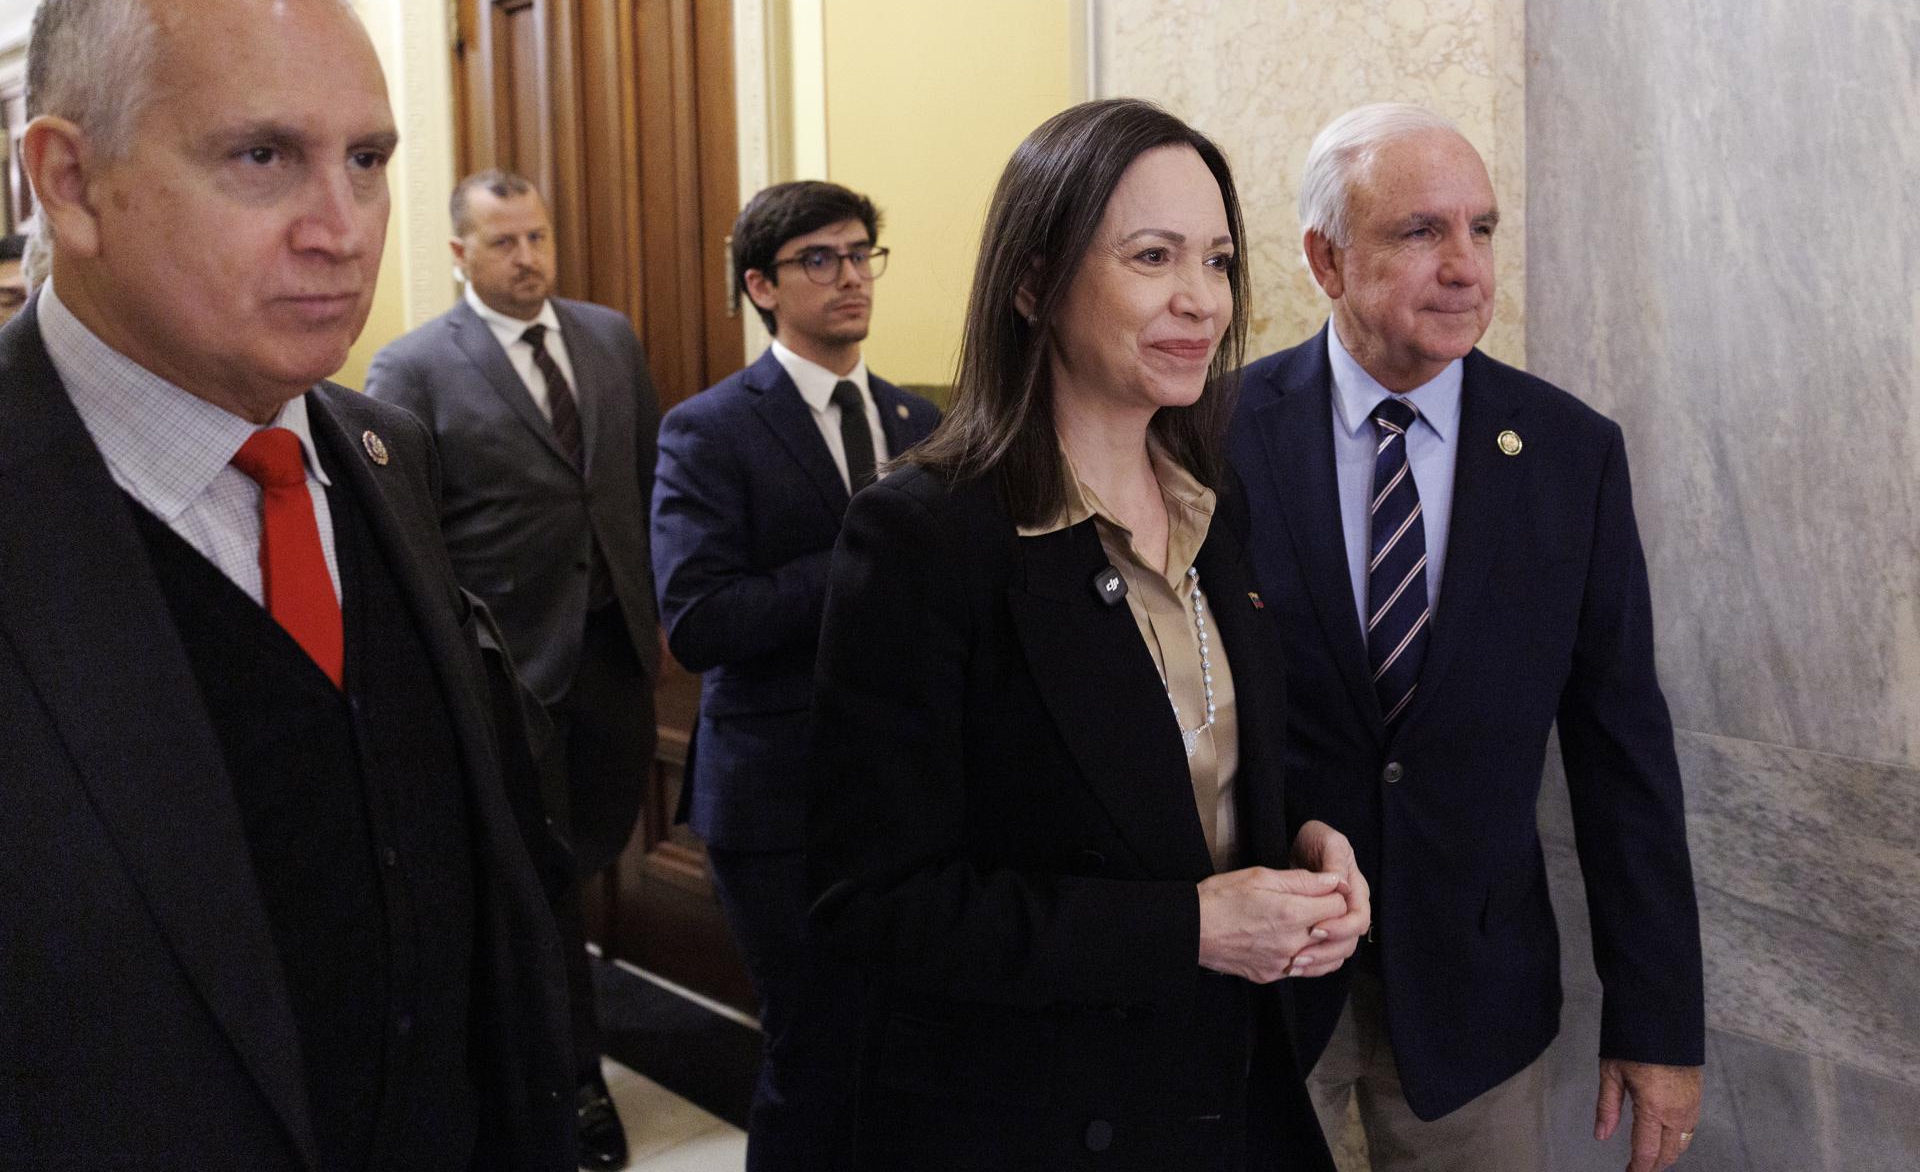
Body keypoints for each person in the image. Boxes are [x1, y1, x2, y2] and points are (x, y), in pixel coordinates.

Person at [3, 0, 572, 1170]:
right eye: (262, 156)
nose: (343, 226)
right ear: (68, 182)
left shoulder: (385, 454)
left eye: (367, 159)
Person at [807, 99, 1367, 1171]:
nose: (1201, 299)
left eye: (1217, 260)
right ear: (1033, 283)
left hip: (1228, 1092)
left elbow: (1188, 778)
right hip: (1039, 1118)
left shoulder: (1215, 501)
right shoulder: (927, 534)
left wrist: (1295, 843)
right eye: (1153, 257)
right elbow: (874, 906)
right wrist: (1192, 927)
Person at [1227, 103, 1705, 1172]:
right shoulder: (1213, 434)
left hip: (1478, 996)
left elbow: (1623, 751)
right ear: (1325, 258)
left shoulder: (1570, 454)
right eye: (1420, 232)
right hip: (1263, 995)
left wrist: (1659, 1022)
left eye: (1480, 228)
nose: (1465, 267)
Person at [365, 169, 662, 1168]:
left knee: (587, 852)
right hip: (506, 671)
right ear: (459, 252)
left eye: (537, 236)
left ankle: (557, 1042)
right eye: (503, 242)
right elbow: (407, 535)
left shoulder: (609, 338)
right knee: (539, 877)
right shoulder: (413, 367)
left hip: (613, 654)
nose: (528, 258)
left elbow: (641, 480)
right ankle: (571, 1079)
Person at [650, 180, 939, 1169]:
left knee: (903, 1046)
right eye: (820, 259)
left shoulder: (919, 418)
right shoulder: (710, 427)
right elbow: (699, 619)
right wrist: (863, 556)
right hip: (778, 795)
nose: (850, 276)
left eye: (861, 254)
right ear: (762, 286)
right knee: (813, 1050)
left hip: (910, 787)